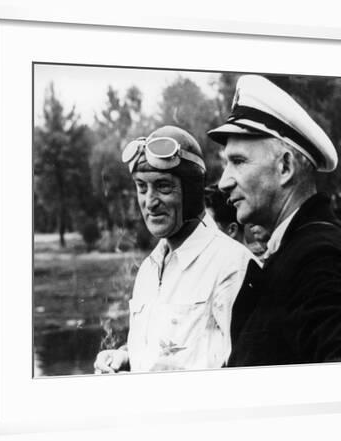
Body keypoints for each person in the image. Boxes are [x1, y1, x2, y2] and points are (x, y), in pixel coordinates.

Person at [208, 75, 341, 366]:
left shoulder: (320, 259)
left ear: (285, 167)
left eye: (238, 161)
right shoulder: (295, 247)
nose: (224, 182)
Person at [94, 125, 256, 373]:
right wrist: (125, 358)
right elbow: (165, 353)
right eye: (141, 187)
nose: (150, 202)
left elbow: (248, 370)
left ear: (192, 193)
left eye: (163, 187)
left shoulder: (232, 265)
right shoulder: (148, 269)